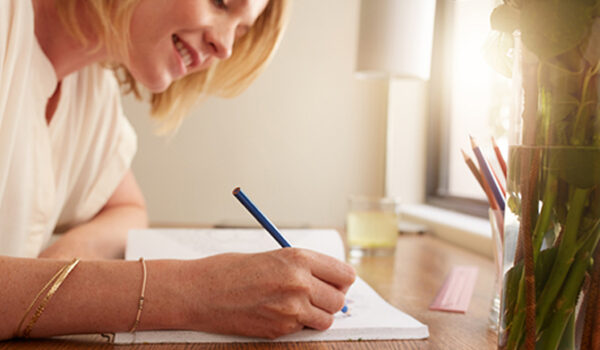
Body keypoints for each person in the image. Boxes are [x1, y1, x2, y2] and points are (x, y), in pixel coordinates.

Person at [0, 0, 356, 340]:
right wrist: (190, 292)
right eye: (220, 2)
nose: (225, 46)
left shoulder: (91, 92)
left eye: (241, 29)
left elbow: (127, 209)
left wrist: (59, 268)